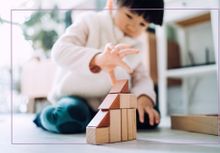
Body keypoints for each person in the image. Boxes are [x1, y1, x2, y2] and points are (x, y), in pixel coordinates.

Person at [33, 0, 164, 134]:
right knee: (68, 114)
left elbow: (141, 78)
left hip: (111, 104)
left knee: (148, 116)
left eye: (142, 24)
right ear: (111, 4)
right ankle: (44, 115)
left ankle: (96, 121)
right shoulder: (90, 21)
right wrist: (98, 59)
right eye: (129, 16)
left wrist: (143, 98)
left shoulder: (136, 47)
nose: (133, 27)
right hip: (76, 97)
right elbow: (60, 51)